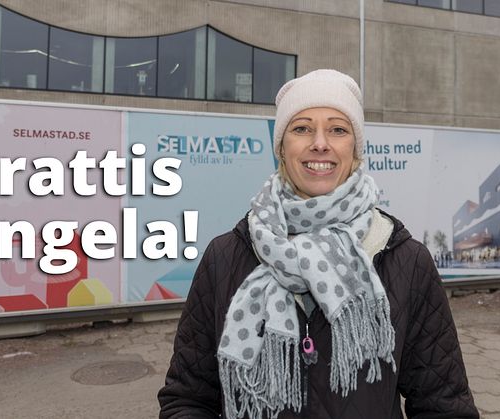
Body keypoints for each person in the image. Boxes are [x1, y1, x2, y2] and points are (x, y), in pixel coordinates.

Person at [158, 69, 478, 418]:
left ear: (355, 149)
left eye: (338, 129)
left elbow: (443, 406)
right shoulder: (226, 257)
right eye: (302, 128)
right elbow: (187, 399)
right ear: (281, 147)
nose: (320, 143)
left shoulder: (405, 261)